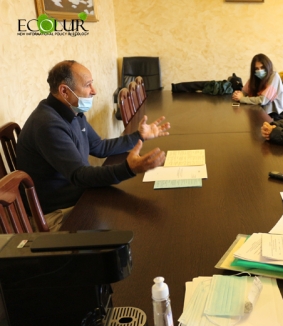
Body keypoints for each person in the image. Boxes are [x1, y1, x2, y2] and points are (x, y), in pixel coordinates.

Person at [17, 60, 170, 231]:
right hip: (57, 214)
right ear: (64, 91)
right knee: (131, 224)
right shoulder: (48, 125)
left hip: (80, 196)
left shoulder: (72, 111)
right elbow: (79, 175)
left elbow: (99, 146)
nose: (94, 91)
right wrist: (128, 168)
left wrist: (139, 136)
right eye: (88, 85)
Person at [232, 53, 283, 120]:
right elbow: (244, 92)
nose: (259, 71)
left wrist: (242, 99)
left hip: (279, 115)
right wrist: (237, 94)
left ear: (268, 66)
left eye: (262, 67)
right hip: (263, 112)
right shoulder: (255, 77)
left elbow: (263, 100)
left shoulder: (274, 76)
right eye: (256, 68)